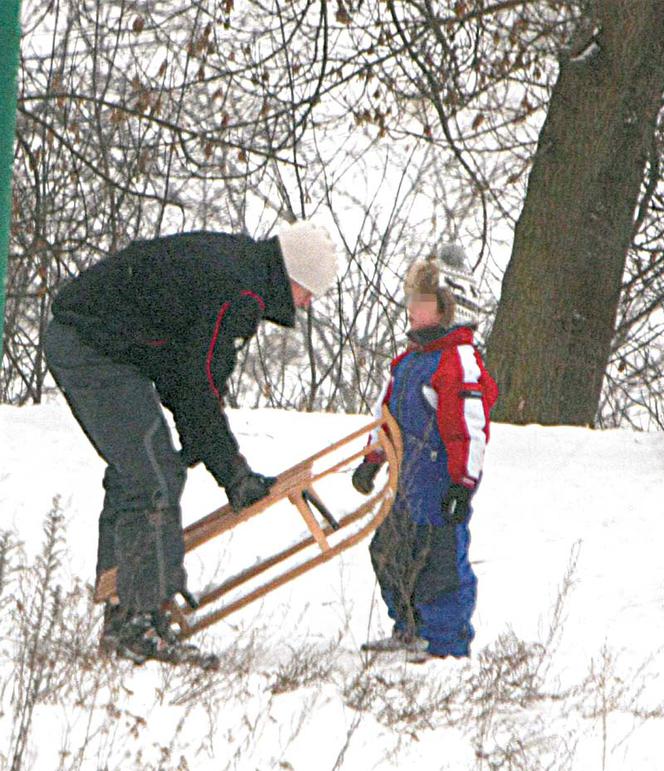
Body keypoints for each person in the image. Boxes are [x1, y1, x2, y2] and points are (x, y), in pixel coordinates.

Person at [44, 221, 339, 667]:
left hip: (99, 341)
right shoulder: (239, 291)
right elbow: (195, 382)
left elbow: (193, 372)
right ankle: (137, 620)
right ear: (292, 273)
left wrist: (203, 441)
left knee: (149, 467)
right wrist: (232, 472)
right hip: (90, 345)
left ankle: (131, 608)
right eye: (309, 290)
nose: (308, 302)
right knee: (151, 473)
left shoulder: (241, 273)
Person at [352, 244, 498, 662]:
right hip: (406, 485)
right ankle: (408, 626)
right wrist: (372, 460)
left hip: (439, 486)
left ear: (448, 307)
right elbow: (389, 420)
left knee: (439, 565)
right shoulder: (410, 361)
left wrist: (462, 484)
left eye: (422, 301)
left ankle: (445, 642)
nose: (411, 308)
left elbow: (469, 430)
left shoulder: (457, 362)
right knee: (389, 551)